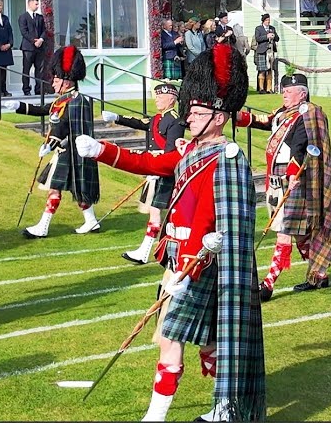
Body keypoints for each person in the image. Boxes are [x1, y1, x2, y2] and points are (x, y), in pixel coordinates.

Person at [75, 43, 266, 421]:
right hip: (178, 261)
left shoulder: (227, 158)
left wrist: (188, 269)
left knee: (171, 338)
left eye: (197, 112)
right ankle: (223, 405)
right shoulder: (191, 150)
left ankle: (163, 414)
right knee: (210, 338)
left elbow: (221, 225)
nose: (189, 117)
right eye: (190, 111)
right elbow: (150, 162)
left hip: (199, 265)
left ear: (219, 115)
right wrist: (102, 150)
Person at [238, 73, 331, 299]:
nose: (284, 93)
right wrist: (235, 116)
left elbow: (301, 146)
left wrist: (293, 174)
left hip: (294, 177)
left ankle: (268, 284)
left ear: (302, 94)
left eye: (289, 91)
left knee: (285, 232)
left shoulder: (308, 113)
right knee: (300, 234)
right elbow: (262, 121)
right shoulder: (282, 113)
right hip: (276, 178)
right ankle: (319, 274)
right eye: (284, 90)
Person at [5, 46, 101, 238]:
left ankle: (43, 226)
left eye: (56, 80)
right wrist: (19, 106)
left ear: (66, 81)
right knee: (73, 187)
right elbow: (44, 110)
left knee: (54, 188)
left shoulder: (76, 101)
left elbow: (65, 125)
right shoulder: (62, 100)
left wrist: (50, 144)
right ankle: (91, 221)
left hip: (70, 152)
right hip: (64, 151)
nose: (53, 83)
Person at [104, 82, 187, 264]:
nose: (156, 98)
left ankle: (147, 251)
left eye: (160, 96)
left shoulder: (175, 120)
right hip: (154, 169)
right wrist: (116, 117)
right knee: (159, 213)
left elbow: (171, 150)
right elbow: (138, 123)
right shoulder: (157, 118)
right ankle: (157, 250)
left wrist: (157, 168)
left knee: (158, 213)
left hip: (164, 172)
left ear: (171, 98)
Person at [18, 0, 49, 96]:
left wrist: (41, 39)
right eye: (36, 4)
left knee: (39, 69)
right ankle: (26, 89)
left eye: (38, 4)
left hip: (40, 47)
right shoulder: (23, 17)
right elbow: (24, 32)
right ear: (29, 4)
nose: (37, 6)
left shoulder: (40, 17)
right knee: (26, 69)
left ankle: (38, 89)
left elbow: (44, 30)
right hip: (28, 47)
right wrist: (33, 40)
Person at [252, 14, 278, 94]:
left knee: (270, 70)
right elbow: (258, 38)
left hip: (271, 51)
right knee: (262, 70)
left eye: (269, 20)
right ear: (263, 21)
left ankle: (269, 89)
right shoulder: (258, 28)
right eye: (266, 20)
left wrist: (274, 36)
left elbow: (277, 39)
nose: (268, 22)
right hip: (262, 51)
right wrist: (267, 36)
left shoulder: (272, 28)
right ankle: (261, 89)